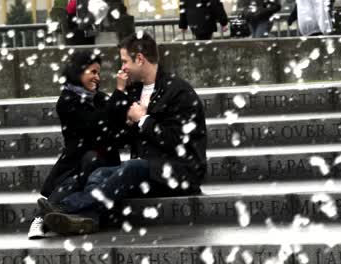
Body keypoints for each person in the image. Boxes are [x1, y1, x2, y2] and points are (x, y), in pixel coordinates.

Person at [42, 32, 207, 235]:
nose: (123, 68)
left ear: (140, 59)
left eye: (125, 61)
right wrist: (128, 125)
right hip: (148, 173)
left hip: (179, 172)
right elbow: (121, 137)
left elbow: (177, 141)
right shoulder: (135, 92)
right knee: (99, 173)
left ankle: (66, 206)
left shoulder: (178, 92)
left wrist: (143, 120)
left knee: (133, 166)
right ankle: (88, 219)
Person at [27, 51, 121, 239]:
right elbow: (93, 123)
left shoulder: (100, 98)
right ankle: (43, 219)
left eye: (99, 73)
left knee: (91, 165)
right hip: (76, 160)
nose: (97, 77)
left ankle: (55, 214)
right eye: (93, 72)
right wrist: (118, 94)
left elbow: (112, 128)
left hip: (103, 161)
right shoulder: (67, 100)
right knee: (82, 171)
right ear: (79, 71)